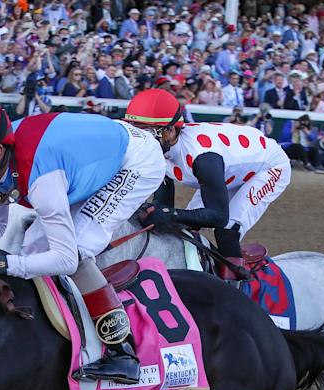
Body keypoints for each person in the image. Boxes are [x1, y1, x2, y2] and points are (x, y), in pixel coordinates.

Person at [0, 98, 166, 384]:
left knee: (79, 249)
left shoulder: (39, 179)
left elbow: (67, 259)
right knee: (33, 247)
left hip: (136, 160)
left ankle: (124, 353)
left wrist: (3, 263)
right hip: (84, 154)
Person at [123, 88, 291, 269]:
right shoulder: (159, 149)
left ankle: (234, 290)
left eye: (147, 133)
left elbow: (218, 217)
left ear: (170, 132)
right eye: (135, 132)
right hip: (230, 169)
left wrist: (168, 215)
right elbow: (164, 205)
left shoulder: (202, 157)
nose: (140, 141)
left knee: (227, 232)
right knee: (183, 229)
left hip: (269, 167)